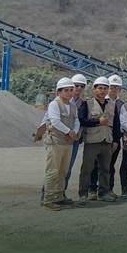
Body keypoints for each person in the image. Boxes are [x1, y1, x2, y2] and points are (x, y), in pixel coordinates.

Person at [37, 73, 87, 205]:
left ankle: (59, 196)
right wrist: (69, 132)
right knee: (53, 171)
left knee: (64, 171)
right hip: (55, 141)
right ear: (59, 92)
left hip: (69, 142)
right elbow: (54, 121)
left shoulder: (74, 106)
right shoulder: (55, 104)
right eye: (67, 90)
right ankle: (47, 198)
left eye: (71, 89)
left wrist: (73, 133)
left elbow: (77, 121)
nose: (71, 92)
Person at [78, 76, 121, 202]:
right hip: (92, 141)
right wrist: (97, 121)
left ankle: (103, 192)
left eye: (105, 88)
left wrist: (116, 140)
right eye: (100, 88)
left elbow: (116, 124)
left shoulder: (112, 105)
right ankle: (84, 194)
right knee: (87, 168)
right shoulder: (87, 104)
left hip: (107, 141)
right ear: (94, 89)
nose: (102, 91)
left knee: (105, 169)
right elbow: (82, 120)